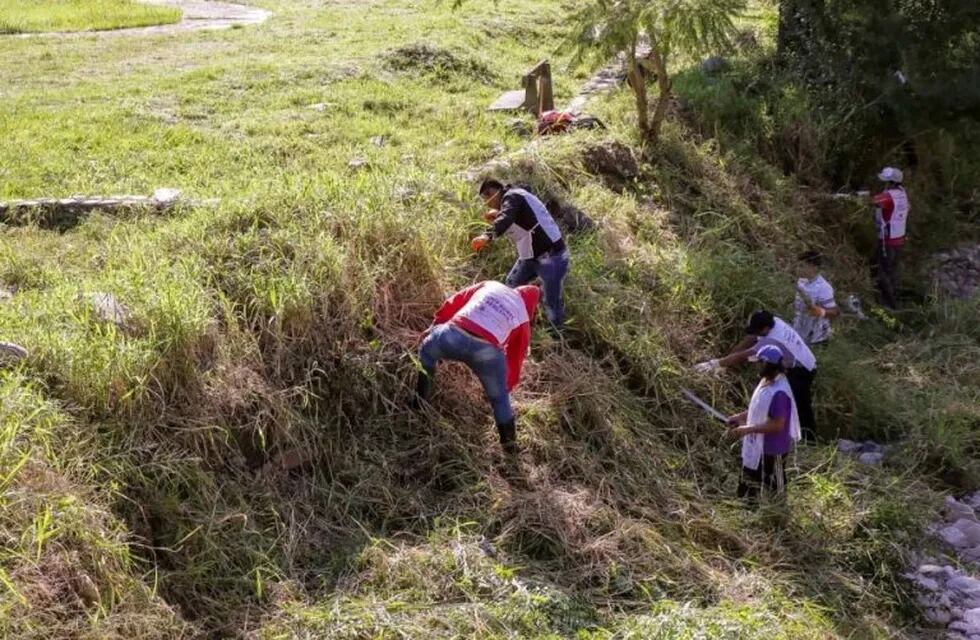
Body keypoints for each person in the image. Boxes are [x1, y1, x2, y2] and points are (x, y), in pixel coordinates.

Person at [415, 281, 540, 453]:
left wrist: (434, 326)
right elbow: (516, 355)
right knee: (500, 399)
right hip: (487, 353)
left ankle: (419, 404)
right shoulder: (523, 316)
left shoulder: (490, 285)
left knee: (427, 354)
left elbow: (455, 301)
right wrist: (506, 385)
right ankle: (510, 450)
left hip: (453, 335)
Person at [695, 310, 818, 441]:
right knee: (794, 403)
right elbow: (752, 337)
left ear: (765, 328)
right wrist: (727, 359)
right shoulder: (773, 321)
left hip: (802, 369)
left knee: (796, 404)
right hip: (799, 361)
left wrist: (715, 364)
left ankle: (807, 441)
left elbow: (744, 355)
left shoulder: (773, 339)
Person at [471, 179, 570, 331]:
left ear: (492, 193)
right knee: (509, 287)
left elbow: (507, 217)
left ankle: (556, 338)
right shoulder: (517, 195)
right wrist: (498, 213)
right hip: (532, 254)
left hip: (550, 255)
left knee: (551, 303)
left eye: (487, 201)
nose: (487, 206)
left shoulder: (512, 196)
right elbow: (524, 217)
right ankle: (510, 326)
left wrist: (487, 235)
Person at [726, 345, 801, 500]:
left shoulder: (780, 392)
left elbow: (777, 424)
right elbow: (758, 409)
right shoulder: (765, 381)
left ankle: (778, 515)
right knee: (749, 478)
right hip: (756, 445)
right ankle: (747, 506)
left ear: (770, 365)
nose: (757, 366)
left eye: (760, 363)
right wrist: (740, 417)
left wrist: (748, 429)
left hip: (774, 450)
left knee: (775, 486)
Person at [872, 167, 910, 309]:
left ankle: (890, 303)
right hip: (899, 237)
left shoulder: (888, 196)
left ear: (890, 182)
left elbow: (873, 201)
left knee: (883, 271)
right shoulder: (903, 194)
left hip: (887, 240)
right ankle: (894, 297)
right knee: (893, 270)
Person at [793, 251, 840, 346]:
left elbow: (835, 312)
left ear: (813, 267)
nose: (798, 269)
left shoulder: (823, 287)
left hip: (817, 338)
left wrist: (819, 311)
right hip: (799, 332)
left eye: (802, 266)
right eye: (798, 266)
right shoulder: (801, 281)